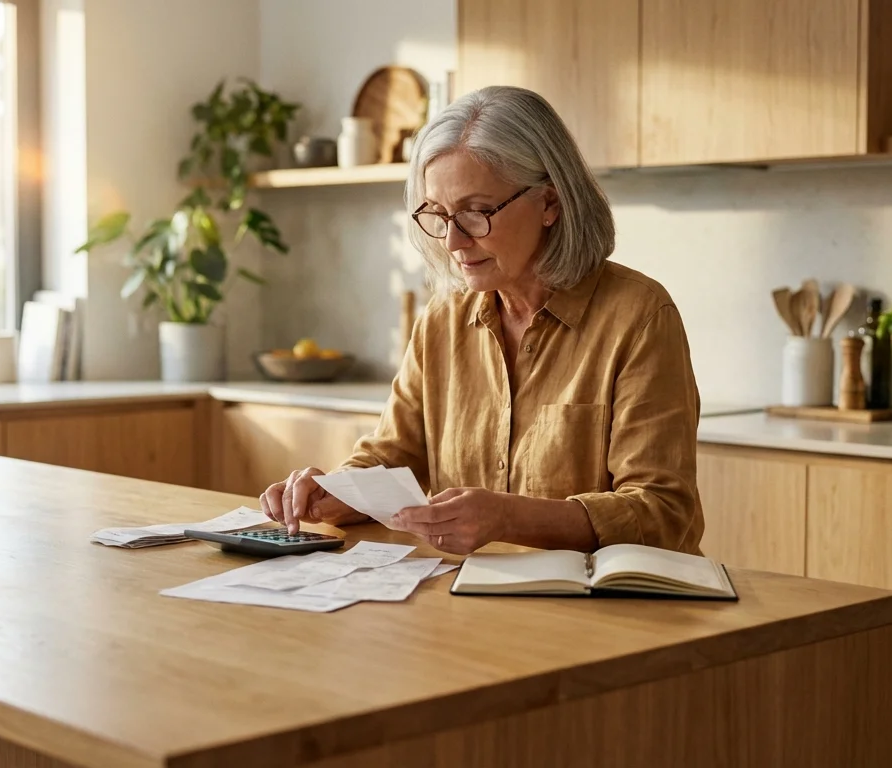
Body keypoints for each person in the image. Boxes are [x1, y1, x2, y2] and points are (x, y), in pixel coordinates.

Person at [259, 85, 704, 556]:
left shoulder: (639, 316)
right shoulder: (442, 320)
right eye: (437, 213)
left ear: (550, 203)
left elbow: (660, 512)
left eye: (475, 212)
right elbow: (392, 459)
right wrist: (337, 491)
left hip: (607, 611)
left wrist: (508, 517)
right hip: (470, 601)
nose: (452, 241)